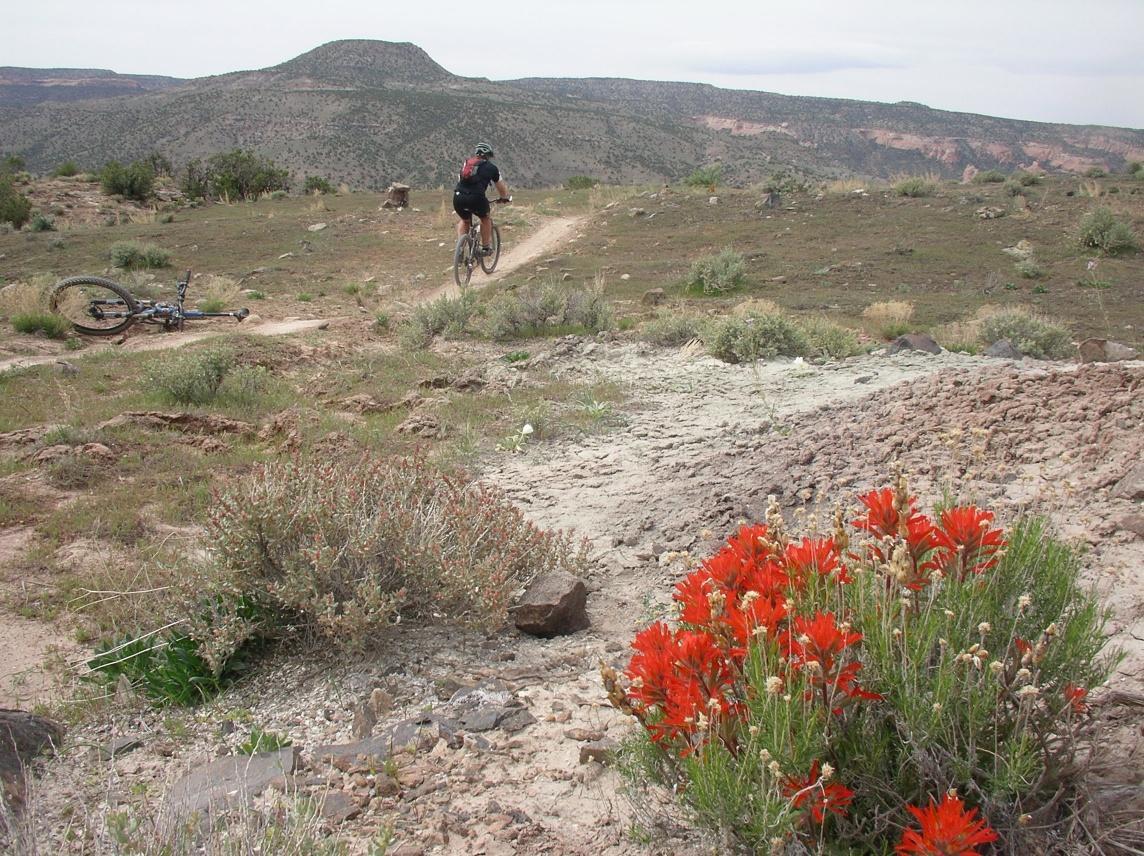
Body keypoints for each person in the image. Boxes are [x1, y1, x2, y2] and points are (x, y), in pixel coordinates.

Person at [453, 142, 510, 255]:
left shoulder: (467, 164)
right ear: (488, 156)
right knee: (485, 219)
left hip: (458, 197)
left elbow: (460, 180)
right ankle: (485, 248)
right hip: (476, 198)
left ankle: (459, 250)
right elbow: (501, 187)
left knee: (465, 220)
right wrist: (503, 198)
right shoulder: (492, 168)